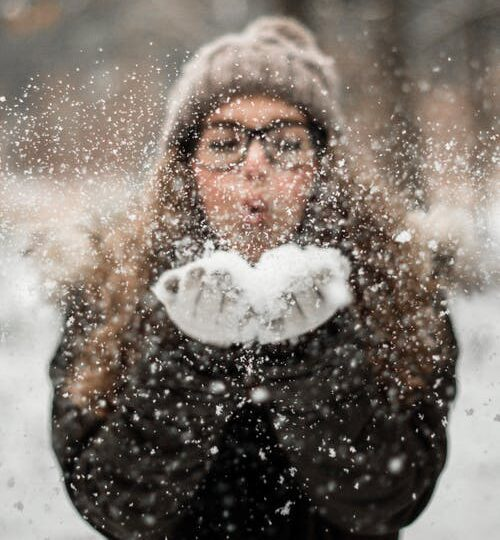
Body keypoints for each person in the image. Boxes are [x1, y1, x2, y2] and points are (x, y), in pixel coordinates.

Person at [49, 16, 458, 540]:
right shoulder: (113, 285)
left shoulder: (397, 283)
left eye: (285, 143)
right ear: (185, 165)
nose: (255, 164)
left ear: (324, 165)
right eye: (225, 143)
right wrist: (191, 362)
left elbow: (390, 498)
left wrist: (312, 355)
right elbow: (116, 507)